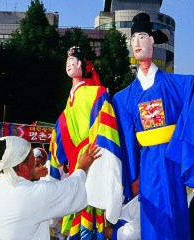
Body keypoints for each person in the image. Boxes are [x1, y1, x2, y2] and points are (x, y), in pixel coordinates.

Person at [112, 12, 194, 239]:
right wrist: (130, 175)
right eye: (132, 39)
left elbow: (190, 117)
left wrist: (179, 152)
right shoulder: (123, 98)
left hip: (172, 157)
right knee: (150, 215)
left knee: (174, 210)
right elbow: (126, 139)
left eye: (142, 37)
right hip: (146, 164)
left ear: (152, 41)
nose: (136, 43)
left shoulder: (182, 85)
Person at [48, 46, 123, 239]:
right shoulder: (70, 100)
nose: (69, 64)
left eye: (74, 61)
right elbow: (60, 130)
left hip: (92, 161)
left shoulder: (97, 93)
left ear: (82, 66)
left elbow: (106, 133)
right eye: (67, 62)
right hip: (76, 164)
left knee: (88, 211)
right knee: (79, 212)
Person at [0, 136, 101, 240]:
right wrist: (83, 167)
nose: (36, 159)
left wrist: (31, 176)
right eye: (32, 155)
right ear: (22, 167)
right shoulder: (35, 193)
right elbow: (72, 189)